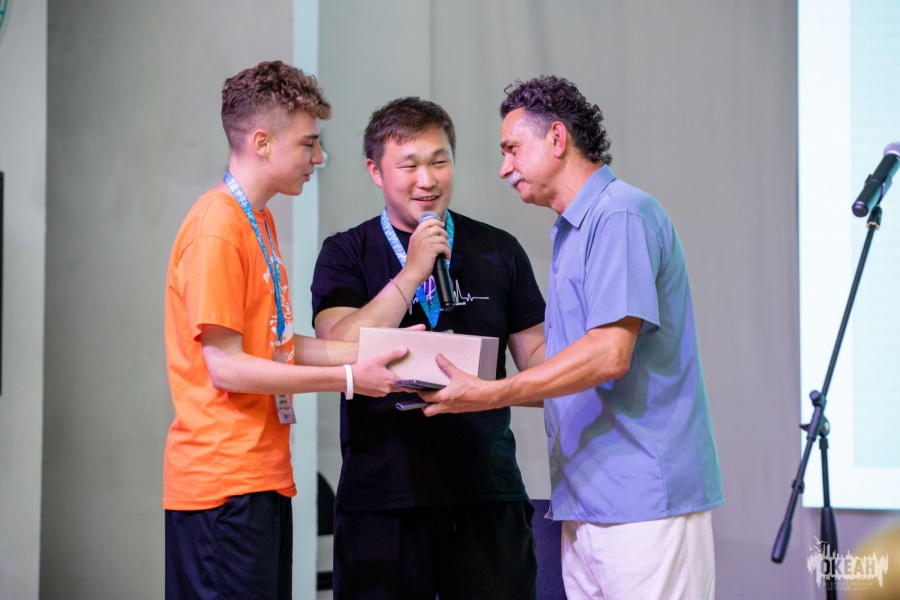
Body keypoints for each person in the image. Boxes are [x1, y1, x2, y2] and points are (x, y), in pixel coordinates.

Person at [422, 76, 725, 599]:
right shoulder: (572, 229)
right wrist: (462, 383)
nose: (503, 168)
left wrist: (491, 394)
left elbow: (608, 355)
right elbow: (566, 368)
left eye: (512, 149)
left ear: (557, 139)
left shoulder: (621, 214)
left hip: (642, 507)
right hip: (585, 504)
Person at [162, 60, 407, 600]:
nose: (319, 158)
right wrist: (350, 378)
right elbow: (226, 367)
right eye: (309, 144)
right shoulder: (216, 228)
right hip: (222, 484)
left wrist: (374, 353)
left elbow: (276, 347)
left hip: (260, 476)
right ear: (262, 142)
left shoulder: (260, 220)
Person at [311, 97, 547, 599]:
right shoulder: (345, 251)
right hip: (382, 500)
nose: (427, 180)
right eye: (409, 165)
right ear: (375, 171)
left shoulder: (498, 250)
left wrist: (597, 355)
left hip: (485, 490)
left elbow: (542, 368)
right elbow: (336, 346)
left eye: (440, 161)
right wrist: (412, 271)